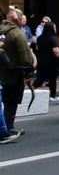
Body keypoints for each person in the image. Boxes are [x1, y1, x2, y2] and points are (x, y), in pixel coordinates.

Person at [0, 8, 35, 136]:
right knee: (11, 101)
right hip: (13, 74)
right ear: (17, 19)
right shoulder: (17, 34)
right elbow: (25, 58)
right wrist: (29, 74)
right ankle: (9, 126)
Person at [33, 22, 59, 101]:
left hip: (41, 60)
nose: (55, 29)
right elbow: (56, 51)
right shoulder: (53, 39)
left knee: (41, 77)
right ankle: (53, 95)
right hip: (51, 61)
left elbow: (38, 48)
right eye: (54, 27)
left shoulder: (39, 38)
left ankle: (32, 87)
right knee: (52, 78)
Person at [0, 40, 21, 144]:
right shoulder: (1, 52)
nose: (3, 43)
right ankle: (3, 133)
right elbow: (9, 66)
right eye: (1, 40)